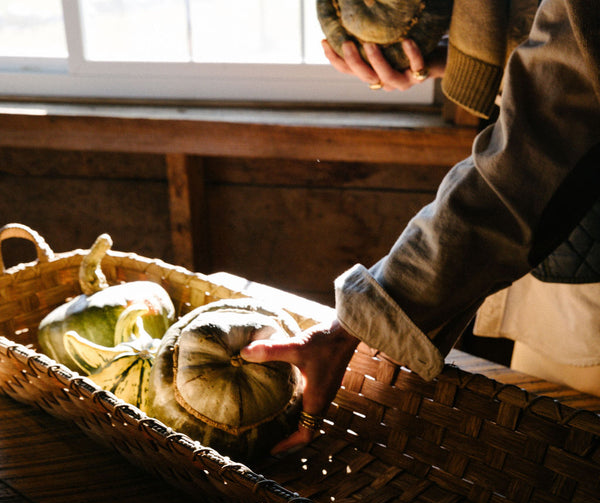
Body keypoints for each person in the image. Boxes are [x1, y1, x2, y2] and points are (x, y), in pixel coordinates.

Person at [241, 0, 600, 454]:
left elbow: (551, 128)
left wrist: (348, 329)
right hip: (558, 238)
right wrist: (462, 57)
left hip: (581, 249)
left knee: (568, 459)